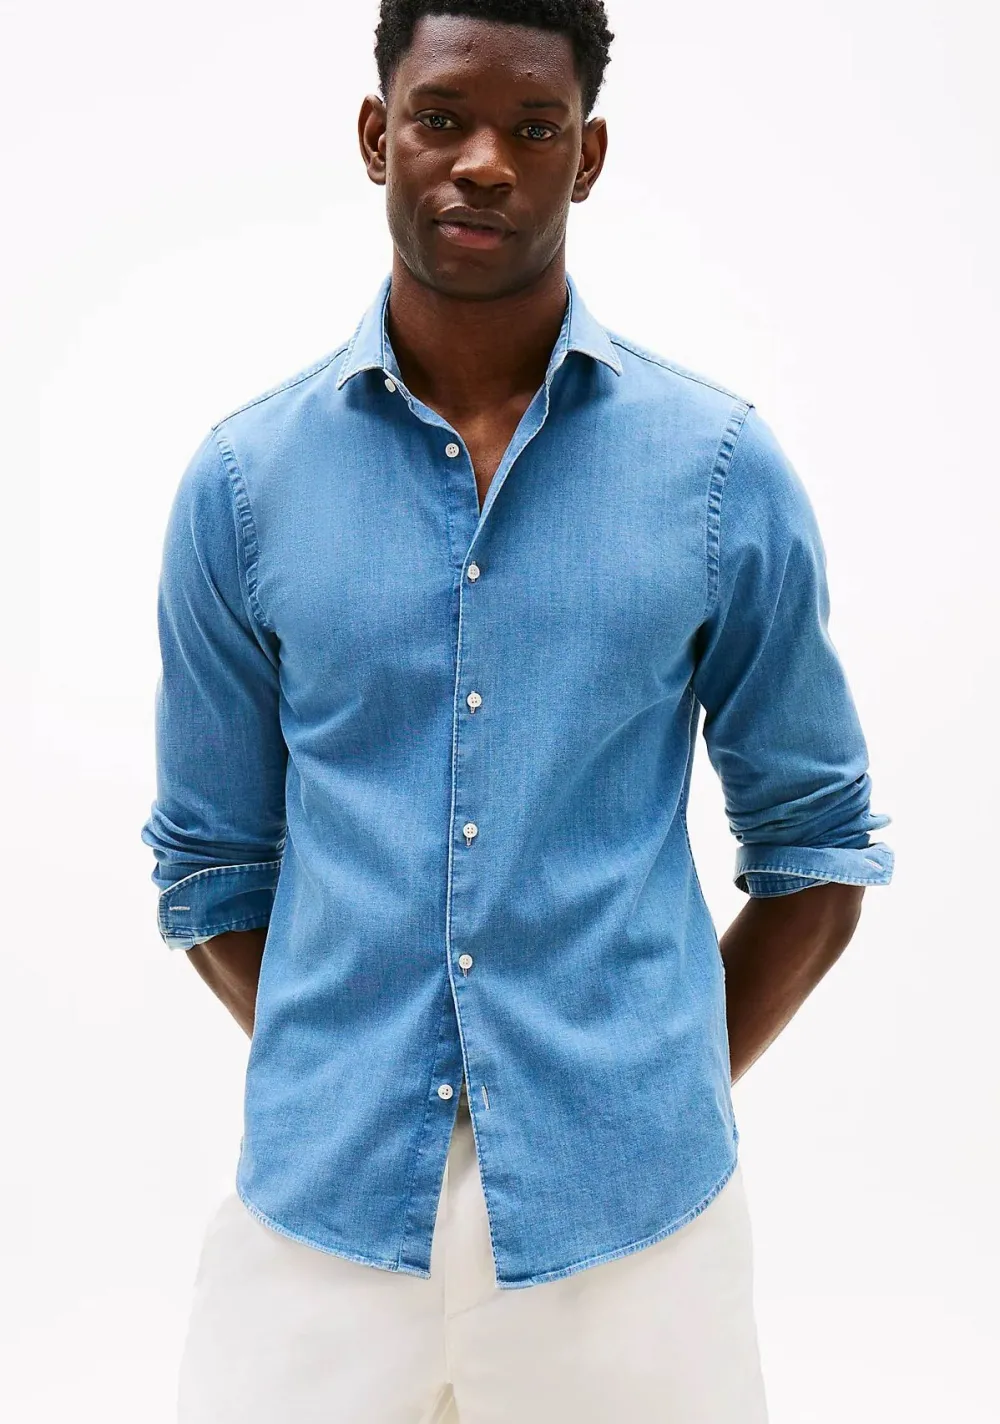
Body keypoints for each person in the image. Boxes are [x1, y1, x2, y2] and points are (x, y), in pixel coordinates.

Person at [140, 2, 894, 1420]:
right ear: (378, 134)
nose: (484, 161)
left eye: (533, 128)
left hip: (641, 1240)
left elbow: (819, 848)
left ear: (586, 156)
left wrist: (643, 1091)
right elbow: (210, 867)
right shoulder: (242, 485)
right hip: (316, 1230)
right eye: (442, 118)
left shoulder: (719, 472)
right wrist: (356, 1075)